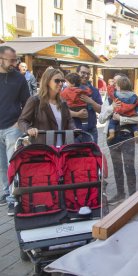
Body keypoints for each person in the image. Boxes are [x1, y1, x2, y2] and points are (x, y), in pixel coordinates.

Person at [98, 76, 138, 204]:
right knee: (117, 167)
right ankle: (120, 194)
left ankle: (133, 196)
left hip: (127, 136)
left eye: (117, 82)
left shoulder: (132, 97)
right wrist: (111, 107)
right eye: (114, 82)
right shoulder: (109, 99)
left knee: (129, 166)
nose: (115, 85)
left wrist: (122, 119)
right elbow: (101, 119)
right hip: (111, 137)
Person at [0, 46, 30, 216]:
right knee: (2, 166)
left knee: (13, 164)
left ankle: (13, 199)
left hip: (12, 128)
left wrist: (20, 123)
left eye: (16, 59)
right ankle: (6, 193)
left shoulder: (19, 78)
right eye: (11, 60)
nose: (15, 63)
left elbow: (27, 102)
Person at [18, 68, 75, 145]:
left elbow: (69, 120)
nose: (61, 83)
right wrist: (29, 129)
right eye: (57, 81)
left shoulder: (63, 102)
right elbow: (22, 121)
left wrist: (74, 129)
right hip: (43, 148)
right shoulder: (35, 101)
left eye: (62, 81)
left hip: (62, 148)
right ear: (47, 81)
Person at [107, 76, 138, 143]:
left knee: (112, 122)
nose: (115, 86)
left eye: (116, 85)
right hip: (130, 114)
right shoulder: (134, 95)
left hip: (119, 112)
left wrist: (111, 86)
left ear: (119, 87)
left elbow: (110, 93)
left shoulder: (116, 94)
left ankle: (111, 133)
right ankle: (136, 132)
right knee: (133, 124)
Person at [70, 65, 102, 143]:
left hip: (90, 131)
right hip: (73, 131)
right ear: (77, 73)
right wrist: (77, 114)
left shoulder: (94, 90)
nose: (86, 76)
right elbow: (61, 110)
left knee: (91, 155)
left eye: (88, 74)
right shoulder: (68, 89)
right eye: (83, 73)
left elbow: (101, 110)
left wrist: (91, 101)